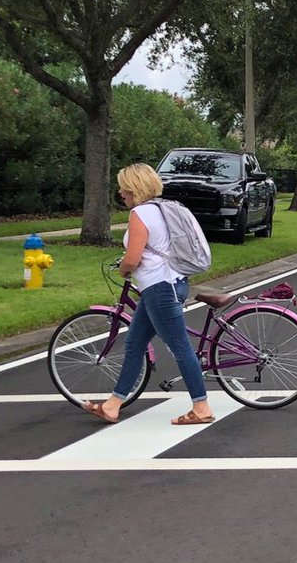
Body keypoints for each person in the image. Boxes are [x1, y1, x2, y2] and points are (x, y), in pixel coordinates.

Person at [81, 163, 215, 426]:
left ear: (134, 187)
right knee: (134, 344)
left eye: (123, 187)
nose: (120, 192)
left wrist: (123, 269)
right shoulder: (166, 209)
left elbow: (133, 257)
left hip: (159, 288)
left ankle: (201, 407)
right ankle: (113, 404)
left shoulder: (140, 214)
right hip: (173, 283)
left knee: (180, 347)